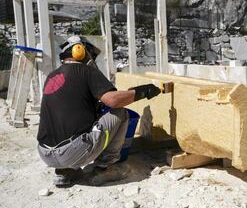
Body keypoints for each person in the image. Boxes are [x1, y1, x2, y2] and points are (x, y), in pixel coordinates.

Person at [37, 36, 161, 186]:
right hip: (72, 152)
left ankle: (64, 172)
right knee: (120, 112)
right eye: (91, 54)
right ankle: (104, 167)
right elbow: (114, 100)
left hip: (45, 154)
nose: (92, 59)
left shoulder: (52, 76)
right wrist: (142, 91)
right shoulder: (86, 71)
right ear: (79, 51)